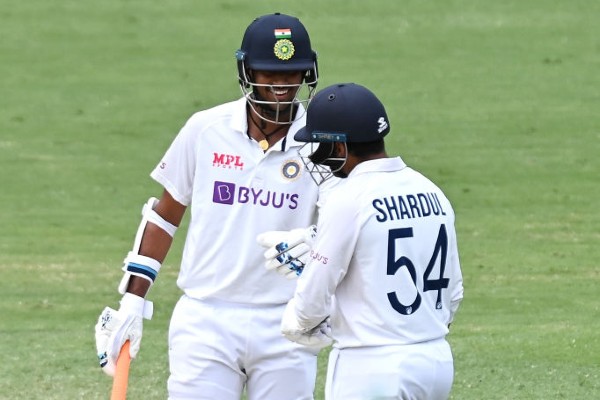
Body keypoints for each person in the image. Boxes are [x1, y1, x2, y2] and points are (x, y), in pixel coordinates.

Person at [94, 13, 332, 400]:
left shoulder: (323, 143)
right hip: (206, 319)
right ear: (246, 71)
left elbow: (345, 224)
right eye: (270, 74)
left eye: (293, 74)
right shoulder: (205, 129)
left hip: (287, 321)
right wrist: (133, 300)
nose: (282, 85)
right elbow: (164, 216)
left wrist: (318, 246)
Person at [271, 83, 464, 399]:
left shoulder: (348, 198)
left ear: (339, 147)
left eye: (321, 145)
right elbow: (454, 292)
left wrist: (299, 320)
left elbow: (315, 292)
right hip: (435, 361)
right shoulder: (431, 191)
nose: (319, 157)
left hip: (372, 365)